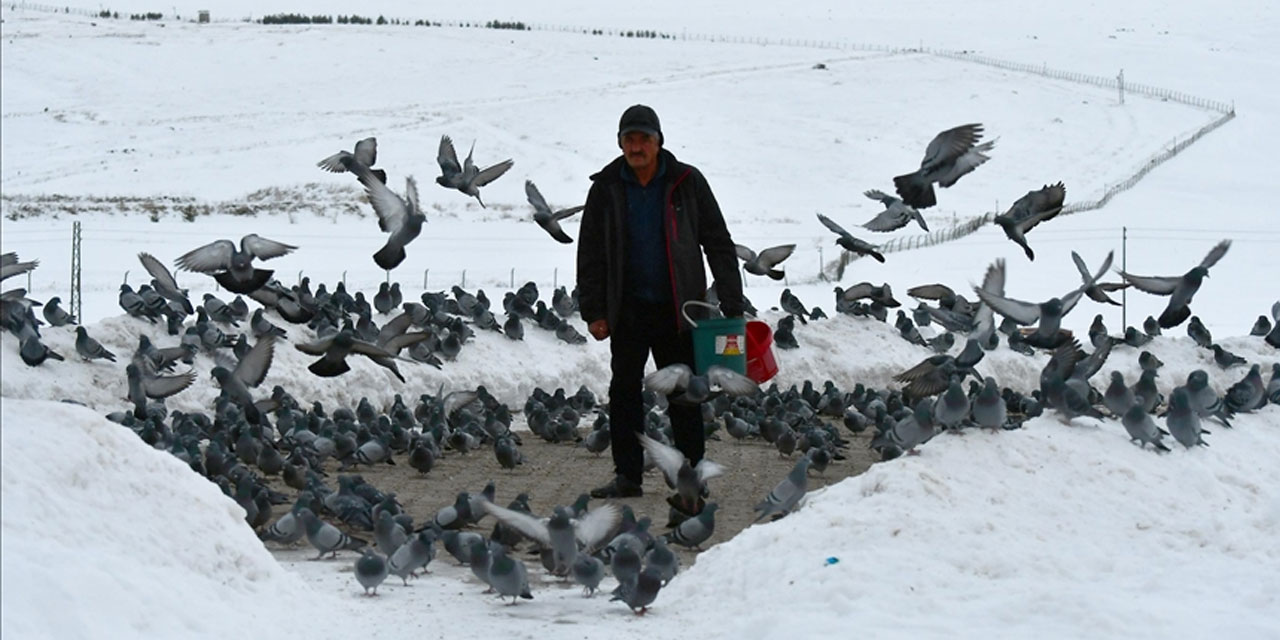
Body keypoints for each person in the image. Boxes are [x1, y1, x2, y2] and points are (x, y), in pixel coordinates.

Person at [576, 104, 745, 504]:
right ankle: (627, 476)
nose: (636, 147)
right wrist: (594, 311)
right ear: (620, 143)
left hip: (678, 310)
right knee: (624, 393)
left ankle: (692, 474)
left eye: (644, 139)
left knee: (684, 394)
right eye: (629, 139)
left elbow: (718, 241)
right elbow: (590, 252)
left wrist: (732, 300)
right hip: (627, 309)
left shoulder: (687, 182)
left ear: (658, 141)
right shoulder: (606, 187)